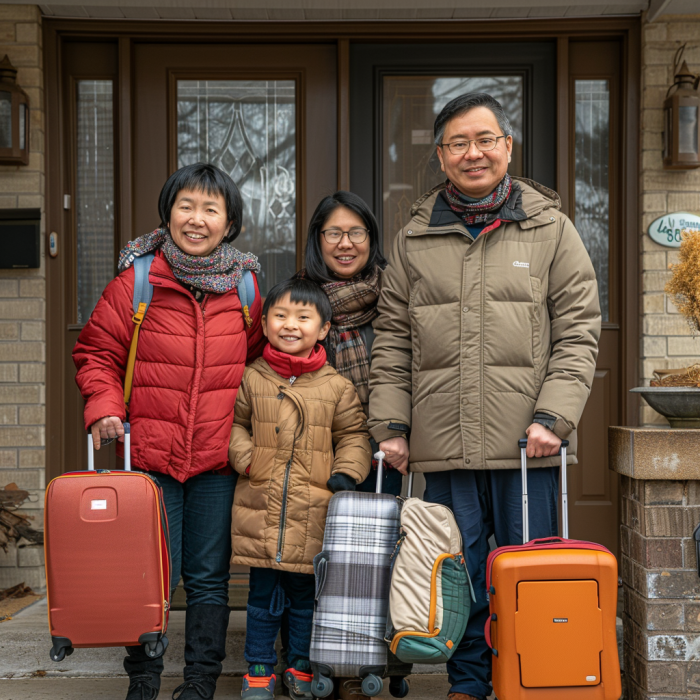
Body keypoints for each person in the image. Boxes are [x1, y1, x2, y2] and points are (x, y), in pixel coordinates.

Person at [368, 93, 602, 700]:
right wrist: (390, 425)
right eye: (457, 144)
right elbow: (392, 340)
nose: (473, 154)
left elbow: (578, 330)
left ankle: (529, 679)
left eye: (485, 140)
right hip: (442, 445)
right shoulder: (414, 238)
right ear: (441, 157)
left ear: (507, 146)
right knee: (457, 577)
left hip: (529, 444)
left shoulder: (551, 227)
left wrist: (554, 417)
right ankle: (467, 684)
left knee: (529, 577)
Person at [73, 163, 264, 700]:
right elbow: (96, 353)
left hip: (216, 461)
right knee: (149, 574)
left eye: (210, 209)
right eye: (186, 206)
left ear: (230, 223)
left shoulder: (247, 291)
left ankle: (200, 679)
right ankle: (145, 679)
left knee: (208, 577)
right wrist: (104, 406)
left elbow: (258, 367)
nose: (196, 219)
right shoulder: (136, 281)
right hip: (149, 458)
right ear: (168, 212)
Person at [228, 277, 371, 700]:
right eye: (281, 316)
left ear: (323, 329)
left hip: (313, 510)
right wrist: (248, 458)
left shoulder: (336, 386)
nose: (291, 325)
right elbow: (235, 425)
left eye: (303, 317)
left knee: (305, 597)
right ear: (266, 323)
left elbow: (355, 436)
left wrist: (345, 473)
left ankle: (301, 663)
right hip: (261, 507)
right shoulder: (252, 378)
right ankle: (258, 667)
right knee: (261, 597)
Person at [298, 191, 400, 497]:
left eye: (356, 232)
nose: (346, 243)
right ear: (317, 239)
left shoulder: (394, 299)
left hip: (380, 456)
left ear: (371, 238)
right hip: (309, 459)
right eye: (333, 233)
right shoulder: (296, 302)